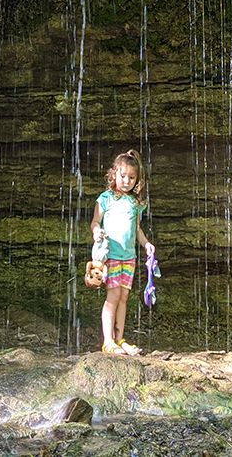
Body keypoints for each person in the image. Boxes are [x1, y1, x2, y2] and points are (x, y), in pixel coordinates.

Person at [90, 148, 155, 355]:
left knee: (124, 298)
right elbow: (94, 222)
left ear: (137, 180)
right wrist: (97, 232)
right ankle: (108, 341)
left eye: (132, 177)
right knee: (112, 296)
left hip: (129, 258)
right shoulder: (105, 198)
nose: (127, 181)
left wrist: (146, 244)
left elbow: (137, 230)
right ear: (114, 174)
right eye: (123, 176)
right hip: (111, 257)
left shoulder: (135, 203)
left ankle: (120, 339)